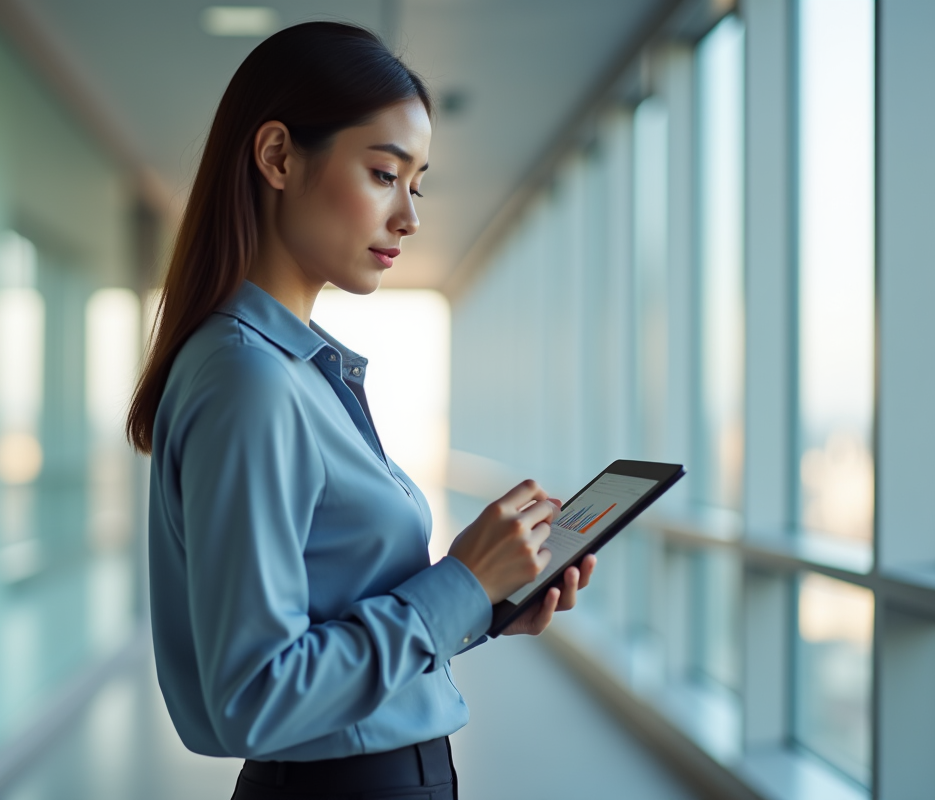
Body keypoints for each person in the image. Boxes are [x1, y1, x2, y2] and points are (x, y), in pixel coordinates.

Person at [126, 21, 596, 799]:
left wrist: (482, 601)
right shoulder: (251, 380)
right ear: (277, 156)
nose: (409, 217)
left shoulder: (292, 370)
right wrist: (458, 586)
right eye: (385, 174)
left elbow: (333, 626)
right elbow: (256, 696)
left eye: (419, 184)